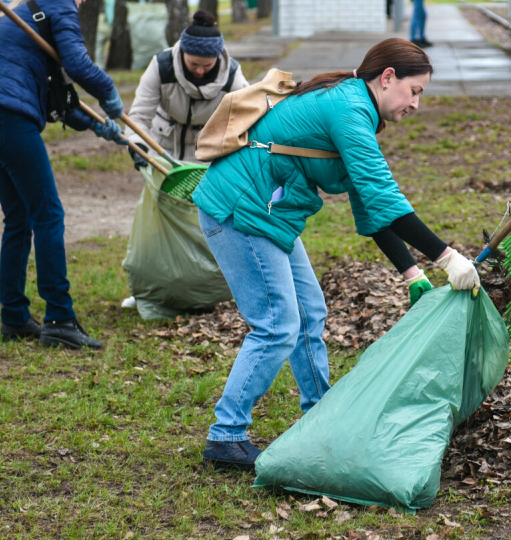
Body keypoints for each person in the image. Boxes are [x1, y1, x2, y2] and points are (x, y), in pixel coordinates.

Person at [191, 38, 481, 470]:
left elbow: (371, 203)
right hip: (240, 210)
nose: (416, 104)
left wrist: (411, 272)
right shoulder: (348, 109)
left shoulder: (354, 105)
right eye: (414, 91)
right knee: (277, 325)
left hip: (268, 214)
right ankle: (226, 435)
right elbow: (385, 197)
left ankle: (320, 414)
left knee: (310, 313)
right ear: (387, 78)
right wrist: (447, 258)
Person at [0, 0, 125, 351]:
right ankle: (59, 318)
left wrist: (98, 126)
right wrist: (108, 92)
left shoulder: (28, 12)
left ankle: (14, 317)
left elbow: (60, 100)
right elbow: (77, 63)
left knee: (19, 219)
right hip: (9, 119)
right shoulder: (58, 3)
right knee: (48, 215)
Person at [126, 10, 248, 164]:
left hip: (207, 157)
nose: (200, 71)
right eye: (193, 64)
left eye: (207, 65)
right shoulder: (161, 66)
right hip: (162, 153)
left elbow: (247, 120)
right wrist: (137, 146)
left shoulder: (232, 76)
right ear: (183, 53)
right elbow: (140, 115)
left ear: (217, 58)